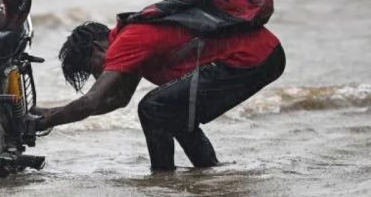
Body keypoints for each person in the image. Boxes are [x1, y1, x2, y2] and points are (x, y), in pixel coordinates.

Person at [31, 16, 285, 171]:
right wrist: (50, 112)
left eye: (94, 68)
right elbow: (118, 100)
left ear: (99, 46)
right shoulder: (130, 40)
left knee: (153, 107)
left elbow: (91, 101)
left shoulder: (126, 42)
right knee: (169, 109)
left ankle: (163, 176)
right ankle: (207, 170)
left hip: (252, 56)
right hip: (265, 54)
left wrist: (46, 122)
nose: (101, 76)